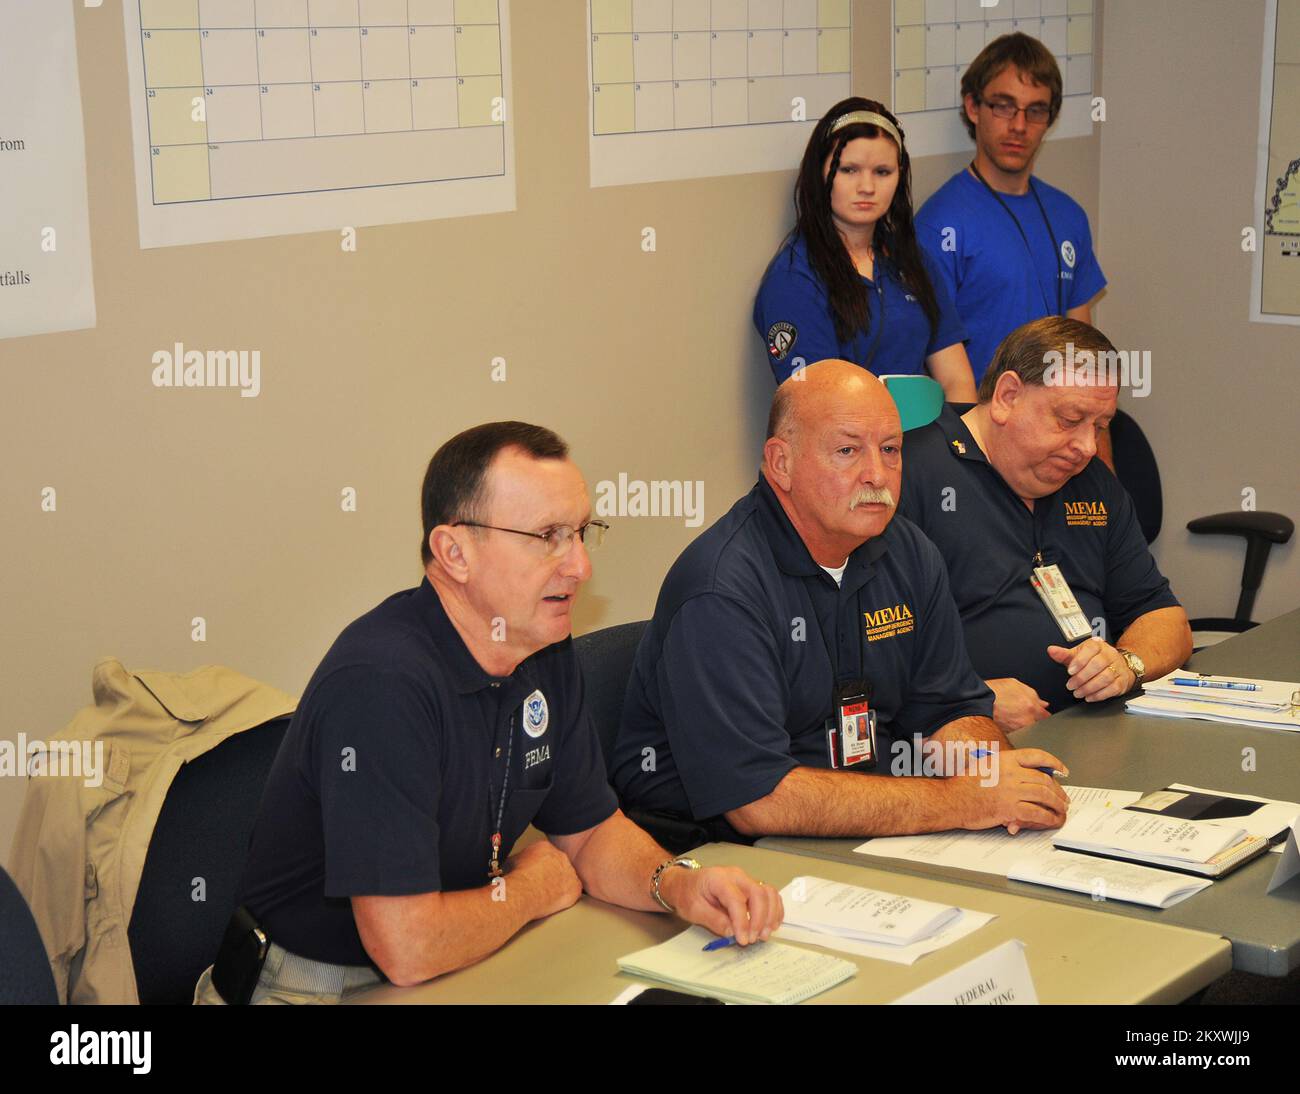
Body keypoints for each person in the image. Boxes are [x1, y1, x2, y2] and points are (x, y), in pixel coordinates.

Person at [194, 422, 782, 1004]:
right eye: (547, 536)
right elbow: (409, 947)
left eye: (581, 532)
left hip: (460, 955)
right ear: (454, 552)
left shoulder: (540, 649)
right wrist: (526, 889)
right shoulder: (382, 683)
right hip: (313, 985)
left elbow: (591, 833)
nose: (579, 565)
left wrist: (676, 885)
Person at [611, 362, 1068, 848]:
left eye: (890, 450)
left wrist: (991, 776)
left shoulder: (908, 551)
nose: (877, 474)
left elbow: (946, 709)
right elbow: (757, 798)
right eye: (848, 451)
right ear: (781, 463)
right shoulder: (722, 589)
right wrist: (963, 802)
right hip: (727, 852)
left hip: (873, 821)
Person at [896, 318, 1192, 733]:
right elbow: (860, 647)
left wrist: (1127, 664)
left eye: (1101, 426)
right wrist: (969, 697)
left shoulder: (1093, 485)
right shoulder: (908, 475)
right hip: (963, 744)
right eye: (1070, 420)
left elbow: (1164, 616)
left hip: (1092, 732)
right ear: (1007, 396)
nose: (1088, 447)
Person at [915, 35, 1106, 419]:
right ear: (973, 107)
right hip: (984, 432)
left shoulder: (1069, 216)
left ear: (1049, 120)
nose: (1019, 126)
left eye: (1035, 111)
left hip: (1059, 429)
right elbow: (940, 368)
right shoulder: (938, 225)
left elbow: (1085, 355)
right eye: (1004, 107)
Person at [753, 98, 977, 401]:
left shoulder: (913, 260)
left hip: (922, 440)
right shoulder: (794, 279)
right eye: (849, 170)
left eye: (882, 172)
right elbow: (817, 403)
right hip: (842, 443)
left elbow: (956, 380)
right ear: (819, 175)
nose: (867, 187)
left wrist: (956, 445)